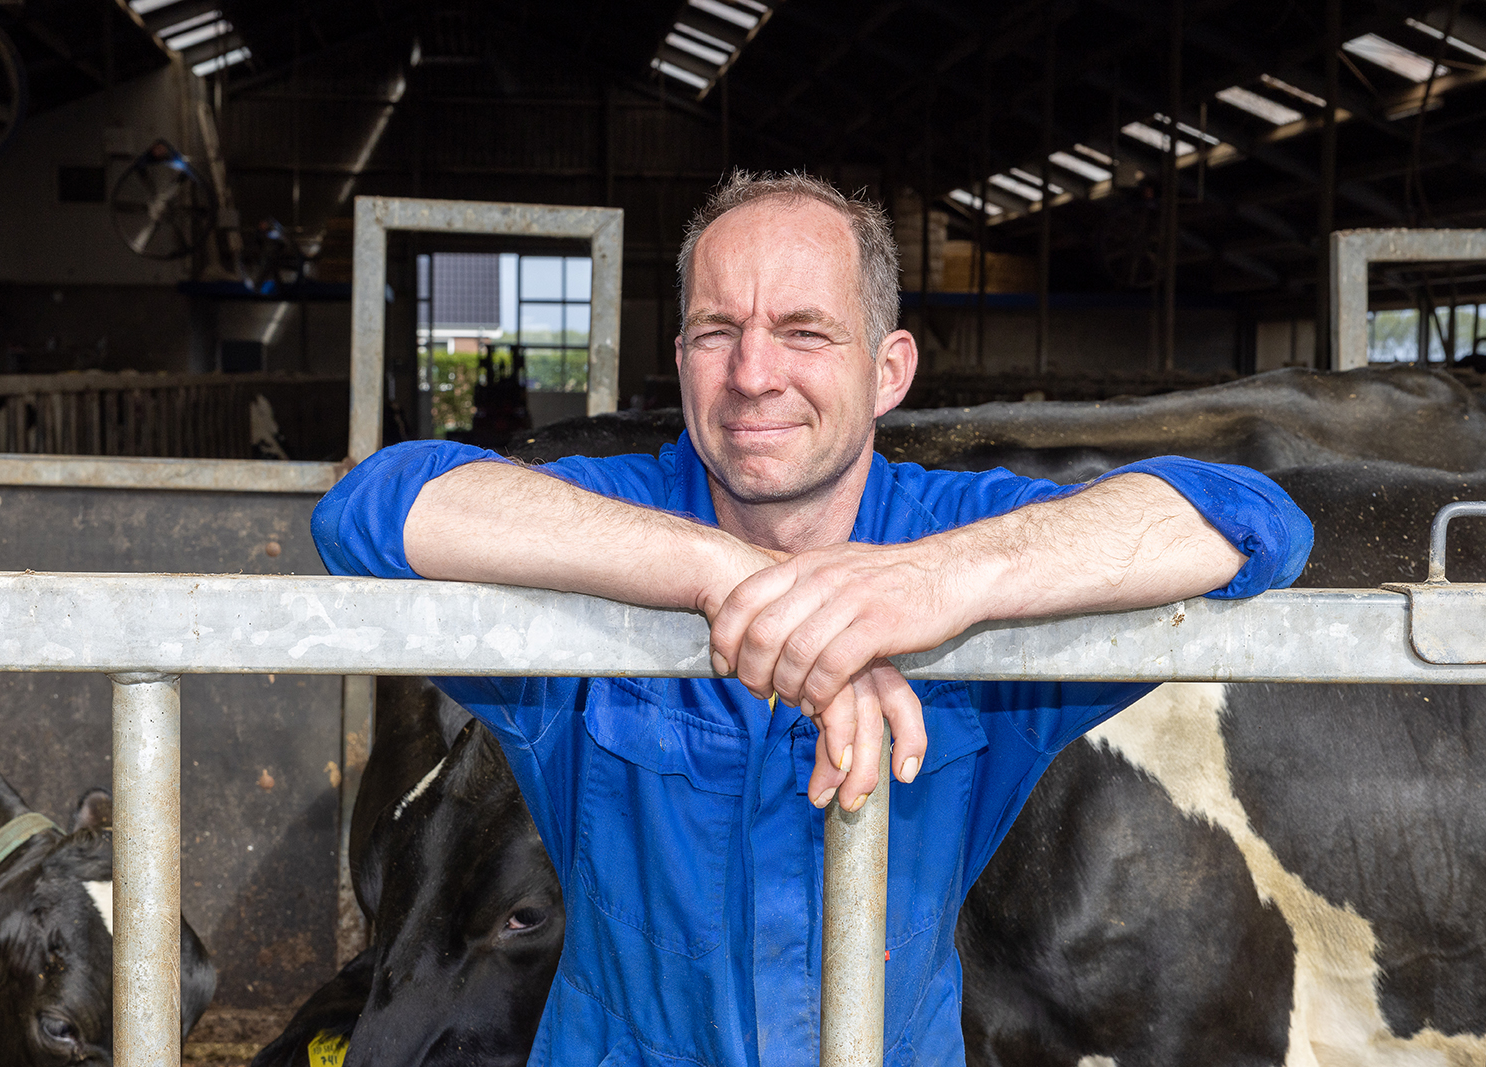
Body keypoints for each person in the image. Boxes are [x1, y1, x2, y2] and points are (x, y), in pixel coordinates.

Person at [312, 171, 1313, 1067]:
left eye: (804, 330)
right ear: (681, 355)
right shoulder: (610, 522)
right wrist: (723, 574)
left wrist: (934, 584)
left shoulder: (953, 532)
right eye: (717, 331)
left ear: (889, 369)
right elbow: (372, 504)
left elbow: (1250, 517)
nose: (752, 373)